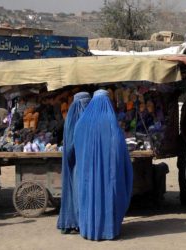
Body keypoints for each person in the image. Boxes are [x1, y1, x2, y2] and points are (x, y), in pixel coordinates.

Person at [74, 89, 133, 241]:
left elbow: (77, 148)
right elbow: (119, 149)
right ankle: (109, 230)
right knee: (108, 195)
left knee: (88, 196)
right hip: (109, 171)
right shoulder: (111, 121)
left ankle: (88, 229)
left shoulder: (81, 123)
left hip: (86, 173)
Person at [57, 92, 91, 233]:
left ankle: (81, 222)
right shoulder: (87, 118)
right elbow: (71, 146)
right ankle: (78, 222)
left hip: (78, 164)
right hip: (80, 165)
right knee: (79, 193)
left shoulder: (71, 119)